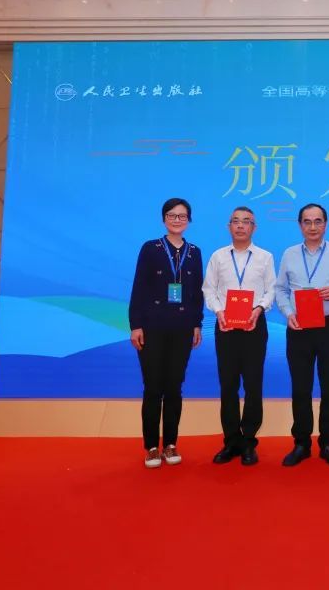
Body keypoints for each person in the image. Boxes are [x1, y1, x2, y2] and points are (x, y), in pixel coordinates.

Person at [274, 203, 329, 467]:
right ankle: (301, 443)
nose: (313, 227)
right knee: (300, 387)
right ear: (300, 225)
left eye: (318, 221)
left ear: (326, 224)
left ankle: (328, 443)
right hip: (299, 328)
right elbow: (280, 289)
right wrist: (288, 313)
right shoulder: (289, 254)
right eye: (307, 221)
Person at [128, 198, 203, 469]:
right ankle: (151, 447)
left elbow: (196, 293)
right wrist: (135, 325)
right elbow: (139, 287)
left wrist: (197, 324)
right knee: (153, 387)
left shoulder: (194, 252)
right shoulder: (151, 248)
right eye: (172, 215)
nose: (177, 220)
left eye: (182, 216)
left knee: (174, 387)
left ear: (189, 221)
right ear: (164, 219)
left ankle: (170, 443)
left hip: (182, 329)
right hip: (152, 328)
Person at [202, 206, 276, 467]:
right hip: (225, 327)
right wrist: (219, 311)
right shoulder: (218, 256)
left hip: (255, 325)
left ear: (254, 227)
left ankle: (249, 442)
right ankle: (231, 441)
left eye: (246, 222)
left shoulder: (265, 257)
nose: (241, 225)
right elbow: (208, 289)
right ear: (229, 226)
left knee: (253, 385)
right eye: (236, 221)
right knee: (228, 385)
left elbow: (271, 290)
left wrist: (259, 309)